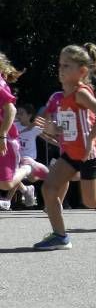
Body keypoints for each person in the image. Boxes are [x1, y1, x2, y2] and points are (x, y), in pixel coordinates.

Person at [33, 44, 96, 249]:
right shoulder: (61, 96)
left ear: (81, 71)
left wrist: (90, 139)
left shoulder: (80, 93)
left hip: (90, 154)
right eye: (60, 65)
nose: (60, 69)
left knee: (92, 201)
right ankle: (60, 235)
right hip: (71, 152)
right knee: (49, 187)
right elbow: (69, 124)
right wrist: (54, 129)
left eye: (66, 66)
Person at [0, 54, 46, 211]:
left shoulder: (0, 84)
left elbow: (11, 110)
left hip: (7, 138)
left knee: (6, 183)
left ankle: (28, 168)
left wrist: (3, 135)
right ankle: (26, 190)